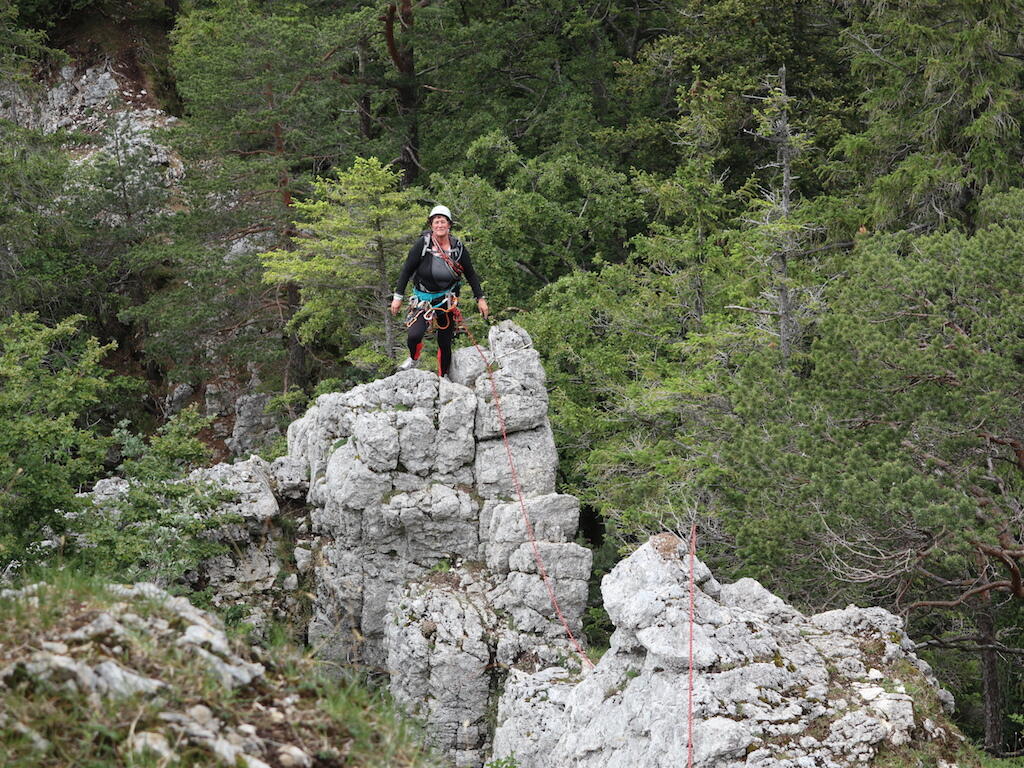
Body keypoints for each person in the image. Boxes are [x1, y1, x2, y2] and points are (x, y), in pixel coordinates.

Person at [390, 204, 489, 376]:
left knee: (445, 342)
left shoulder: (458, 249)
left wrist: (480, 298)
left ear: (449, 224)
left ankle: (443, 376)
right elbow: (406, 270)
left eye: (443, 221)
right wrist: (397, 297)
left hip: (446, 301)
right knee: (414, 335)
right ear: (431, 225)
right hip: (423, 300)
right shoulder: (423, 245)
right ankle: (414, 358)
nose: (440, 225)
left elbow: (470, 274)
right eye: (436, 222)